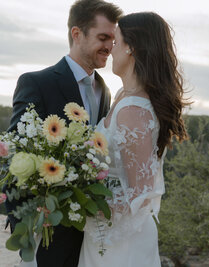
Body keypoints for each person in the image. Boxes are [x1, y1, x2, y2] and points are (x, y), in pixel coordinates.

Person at [4, 1, 123, 266]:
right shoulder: (36, 82)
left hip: (90, 231)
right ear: (77, 34)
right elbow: (15, 152)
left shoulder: (104, 90)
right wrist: (24, 224)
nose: (109, 47)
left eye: (113, 40)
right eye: (103, 37)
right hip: (48, 230)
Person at [78, 12, 189, 267]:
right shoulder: (121, 97)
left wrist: (77, 200)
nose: (110, 50)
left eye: (116, 42)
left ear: (131, 48)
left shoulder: (133, 110)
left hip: (121, 244)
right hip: (104, 236)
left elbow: (139, 194)